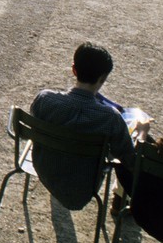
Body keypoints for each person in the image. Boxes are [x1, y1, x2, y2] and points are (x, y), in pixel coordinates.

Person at [29, 42, 145, 210]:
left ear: (74, 70)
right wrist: (140, 134)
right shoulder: (110, 118)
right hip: (83, 186)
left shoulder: (44, 99)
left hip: (45, 170)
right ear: (103, 78)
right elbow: (129, 160)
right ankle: (121, 200)